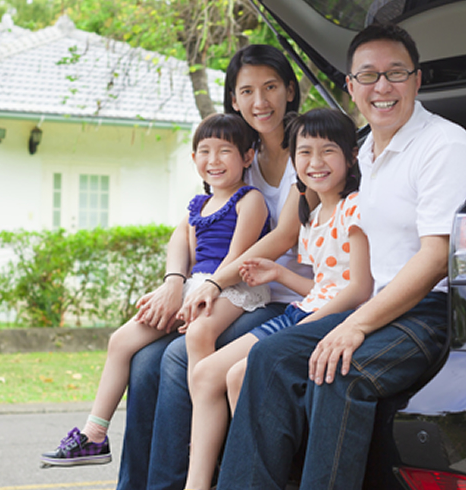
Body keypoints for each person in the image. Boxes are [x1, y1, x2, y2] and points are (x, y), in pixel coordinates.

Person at [215, 24, 466, 489]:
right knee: (267, 358)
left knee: (337, 370)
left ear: (417, 81)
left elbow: (437, 258)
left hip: (431, 312)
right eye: (368, 76)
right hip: (374, 306)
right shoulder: (368, 154)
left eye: (395, 73)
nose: (382, 87)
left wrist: (355, 324)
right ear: (351, 87)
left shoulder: (445, 146)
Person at [112, 45, 312, 490]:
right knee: (143, 361)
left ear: (290, 91)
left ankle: (180, 480)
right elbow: (187, 227)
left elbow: (282, 238)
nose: (260, 101)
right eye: (247, 91)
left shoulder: (308, 150)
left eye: (271, 87)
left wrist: (211, 285)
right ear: (234, 99)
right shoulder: (238, 154)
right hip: (225, 292)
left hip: (280, 297)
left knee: (176, 358)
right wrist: (174, 283)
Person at [39, 113, 272, 467]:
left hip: (234, 287)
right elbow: (190, 257)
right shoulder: (197, 205)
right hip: (197, 286)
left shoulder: (249, 200)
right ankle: (94, 435)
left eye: (225, 151)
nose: (214, 160)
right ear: (193, 159)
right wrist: (175, 291)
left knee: (199, 334)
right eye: (205, 151)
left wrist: (201, 292)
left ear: (247, 157)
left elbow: (237, 258)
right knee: (121, 340)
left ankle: (203, 434)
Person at [183, 108, 373, 490]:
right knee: (206, 374)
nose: (315, 163)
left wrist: (307, 322)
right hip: (300, 311)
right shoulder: (315, 215)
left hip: (322, 320)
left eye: (328, 151)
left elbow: (359, 289)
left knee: (240, 375)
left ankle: (258, 475)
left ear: (352, 156)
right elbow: (325, 285)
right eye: (304, 153)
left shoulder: (356, 207)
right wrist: (280, 274)